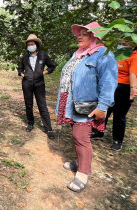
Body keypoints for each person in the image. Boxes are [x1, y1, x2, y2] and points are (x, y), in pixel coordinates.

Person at [56, 22, 117, 193]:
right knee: (76, 136)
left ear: (95, 36)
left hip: (88, 105)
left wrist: (103, 106)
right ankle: (80, 164)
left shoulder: (104, 54)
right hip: (72, 103)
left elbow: (109, 82)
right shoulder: (79, 54)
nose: (79, 36)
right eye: (79, 33)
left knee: (81, 138)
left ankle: (83, 173)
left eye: (84, 33)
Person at [91, 41, 137, 151]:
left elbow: (133, 74)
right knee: (104, 110)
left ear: (133, 46)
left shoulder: (136, 58)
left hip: (124, 89)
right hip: (110, 86)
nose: (121, 45)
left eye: (125, 44)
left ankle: (117, 140)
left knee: (119, 116)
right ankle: (98, 132)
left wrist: (133, 88)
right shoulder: (117, 55)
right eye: (121, 43)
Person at [17, 34, 56, 139]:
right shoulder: (25, 58)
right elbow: (19, 69)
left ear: (36, 45)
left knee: (42, 105)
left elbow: (52, 66)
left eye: (32, 44)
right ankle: (30, 123)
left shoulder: (43, 56)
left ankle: (49, 129)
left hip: (39, 84)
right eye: (29, 45)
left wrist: (44, 72)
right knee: (28, 104)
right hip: (27, 83)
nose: (30, 46)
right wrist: (22, 74)